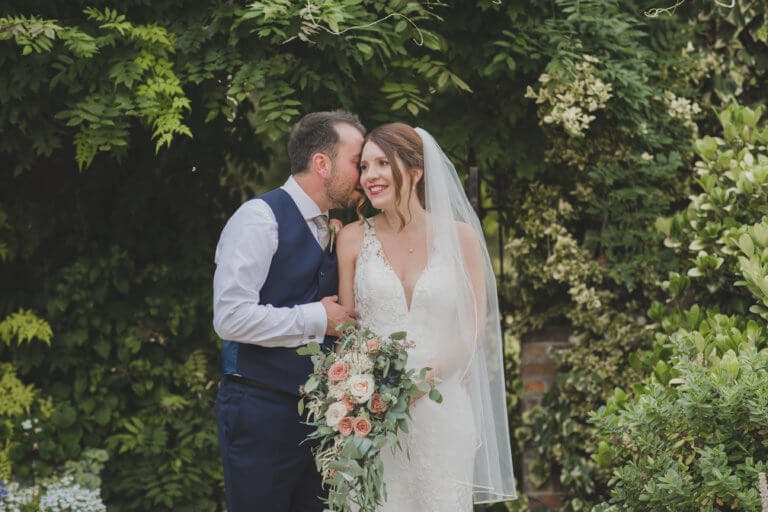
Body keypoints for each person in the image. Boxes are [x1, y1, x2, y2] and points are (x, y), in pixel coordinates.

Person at [336, 123, 517, 511]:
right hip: (374, 414)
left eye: (383, 163)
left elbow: (473, 329)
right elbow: (347, 331)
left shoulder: (461, 237)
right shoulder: (352, 238)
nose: (371, 176)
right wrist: (370, 394)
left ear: (416, 170)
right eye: (365, 167)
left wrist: (420, 382)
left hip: (442, 409)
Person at [213, 111, 365, 512]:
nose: (364, 173)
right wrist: (317, 319)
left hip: (318, 418)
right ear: (322, 163)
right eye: (357, 161)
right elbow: (229, 317)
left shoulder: (334, 228)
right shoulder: (259, 219)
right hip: (259, 409)